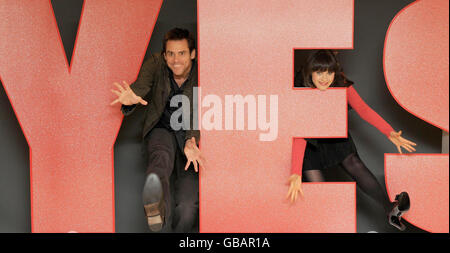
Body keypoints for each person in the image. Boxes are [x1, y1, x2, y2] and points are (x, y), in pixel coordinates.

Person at [287, 50, 416, 231]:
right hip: (310, 141)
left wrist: (389, 132)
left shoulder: (340, 81)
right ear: (310, 73)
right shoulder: (301, 87)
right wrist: (295, 172)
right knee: (318, 190)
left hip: (333, 132)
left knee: (355, 163)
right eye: (319, 73)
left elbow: (363, 110)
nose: (325, 78)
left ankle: (390, 210)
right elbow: (301, 134)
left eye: (329, 73)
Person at [110, 28, 204, 232]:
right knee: (160, 160)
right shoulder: (156, 64)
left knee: (187, 208)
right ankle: (156, 208)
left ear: (193, 54)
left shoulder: (203, 72)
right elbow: (139, 88)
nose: (175, 59)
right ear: (164, 55)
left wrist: (191, 140)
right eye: (170, 53)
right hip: (162, 129)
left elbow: (199, 108)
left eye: (182, 53)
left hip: (190, 139)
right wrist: (130, 101)